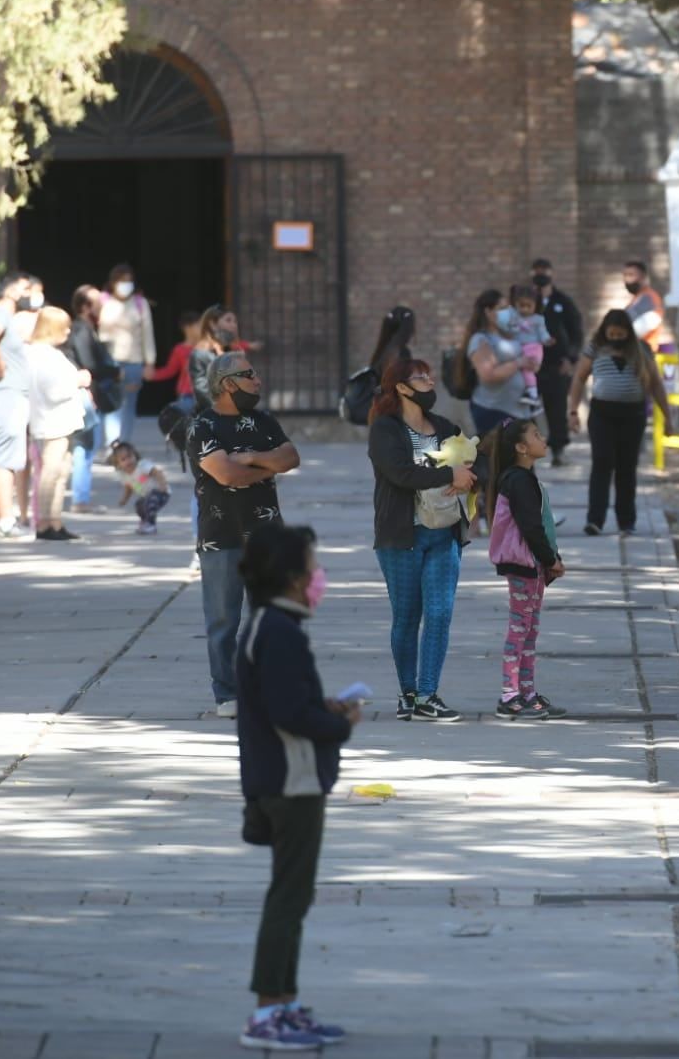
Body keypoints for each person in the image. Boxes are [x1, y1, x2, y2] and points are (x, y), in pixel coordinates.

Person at [234, 521, 354, 1051]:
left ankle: (283, 1002)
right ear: (288, 576)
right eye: (310, 567)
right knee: (289, 897)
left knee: (294, 895)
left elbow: (284, 702)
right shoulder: (278, 631)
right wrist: (338, 724)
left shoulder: (273, 625)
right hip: (291, 780)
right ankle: (267, 1012)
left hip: (285, 776)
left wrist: (322, 710)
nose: (316, 576)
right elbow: (287, 713)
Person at [189, 351, 301, 719]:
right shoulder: (202, 426)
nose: (258, 380)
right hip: (221, 537)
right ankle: (227, 694)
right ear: (227, 384)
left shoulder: (263, 421)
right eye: (249, 374)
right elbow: (225, 475)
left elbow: (290, 458)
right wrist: (262, 468)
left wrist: (250, 457)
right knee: (223, 621)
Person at [367, 358, 477, 722]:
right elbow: (400, 473)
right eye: (421, 377)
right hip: (401, 535)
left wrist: (471, 475)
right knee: (407, 616)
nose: (430, 381)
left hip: (444, 533)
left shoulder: (444, 427)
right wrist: (449, 473)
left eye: (429, 376)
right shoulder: (385, 429)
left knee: (440, 613)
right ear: (401, 387)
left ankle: (429, 693)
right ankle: (408, 693)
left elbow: (475, 462)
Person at [485, 417, 567, 720]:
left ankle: (528, 693)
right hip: (523, 564)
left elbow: (541, 525)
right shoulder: (517, 480)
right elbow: (531, 528)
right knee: (519, 629)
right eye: (536, 434)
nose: (543, 438)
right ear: (521, 447)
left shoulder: (524, 478)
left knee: (530, 629)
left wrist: (549, 558)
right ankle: (510, 695)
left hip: (531, 564)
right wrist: (551, 559)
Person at [568, 310, 673, 536]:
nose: (616, 337)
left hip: (632, 416)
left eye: (620, 333)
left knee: (627, 468)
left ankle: (626, 521)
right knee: (602, 464)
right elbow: (579, 378)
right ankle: (595, 519)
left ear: (628, 332)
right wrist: (573, 411)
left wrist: (667, 416)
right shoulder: (595, 348)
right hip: (602, 415)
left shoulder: (641, 350)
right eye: (612, 333)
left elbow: (655, 384)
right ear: (605, 331)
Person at [0, 272, 39, 539]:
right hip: (8, 394)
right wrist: (0, 364)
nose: (30, 294)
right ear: (13, 291)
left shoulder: (5, 315)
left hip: (8, 394)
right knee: (7, 461)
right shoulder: (1, 311)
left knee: (1, 460)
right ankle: (5, 521)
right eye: (26, 289)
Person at [23, 307, 91, 542]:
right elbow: (53, 391)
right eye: (64, 327)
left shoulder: (46, 353)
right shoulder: (41, 355)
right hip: (52, 421)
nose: (68, 331)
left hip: (61, 420)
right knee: (50, 473)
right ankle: (44, 524)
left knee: (61, 472)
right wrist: (78, 380)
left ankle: (55, 521)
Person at [63, 285, 117, 512]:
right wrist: (113, 371)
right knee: (84, 446)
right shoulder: (81, 330)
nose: (101, 305)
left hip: (88, 392)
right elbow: (90, 365)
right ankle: (80, 498)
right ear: (85, 306)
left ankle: (81, 496)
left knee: (86, 446)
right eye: (96, 302)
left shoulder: (88, 328)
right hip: (85, 394)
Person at [530, 258, 583, 467]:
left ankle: (558, 451)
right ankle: (529, 449)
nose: (541, 274)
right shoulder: (527, 301)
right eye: (537, 270)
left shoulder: (563, 301)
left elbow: (576, 332)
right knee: (528, 410)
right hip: (531, 366)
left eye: (544, 270)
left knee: (557, 409)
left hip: (556, 365)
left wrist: (571, 358)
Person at [98, 264, 156, 447]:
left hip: (134, 361)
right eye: (122, 281)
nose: (126, 285)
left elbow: (148, 333)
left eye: (129, 281)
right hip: (110, 361)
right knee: (110, 404)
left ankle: (124, 445)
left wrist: (150, 362)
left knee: (128, 405)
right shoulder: (103, 301)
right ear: (113, 283)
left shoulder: (140, 303)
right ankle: (112, 445)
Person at [462, 288, 535, 435]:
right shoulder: (481, 340)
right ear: (488, 312)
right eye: (501, 309)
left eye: (508, 308)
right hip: (494, 411)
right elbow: (488, 375)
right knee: (497, 456)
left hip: (519, 411)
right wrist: (519, 363)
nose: (507, 313)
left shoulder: (509, 335)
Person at [500, 286, 553, 410]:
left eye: (528, 306)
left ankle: (533, 395)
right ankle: (528, 397)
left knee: (527, 370)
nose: (524, 309)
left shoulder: (538, 320)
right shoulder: (514, 316)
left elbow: (543, 333)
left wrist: (547, 340)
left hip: (533, 349)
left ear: (535, 305)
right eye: (521, 305)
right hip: (519, 349)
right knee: (518, 370)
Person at [145, 310, 203, 413]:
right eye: (199, 326)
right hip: (187, 395)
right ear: (187, 328)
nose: (203, 329)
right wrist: (152, 375)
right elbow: (170, 370)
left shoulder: (208, 348)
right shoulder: (179, 349)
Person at [111, 440, 171, 535]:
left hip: (160, 492)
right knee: (139, 505)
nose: (128, 461)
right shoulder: (124, 475)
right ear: (118, 464)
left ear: (135, 455)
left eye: (130, 456)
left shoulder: (142, 466)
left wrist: (163, 486)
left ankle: (151, 524)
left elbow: (157, 472)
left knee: (150, 502)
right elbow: (129, 488)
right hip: (147, 495)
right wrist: (124, 500)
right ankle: (145, 521)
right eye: (123, 459)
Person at [622, 260, 668, 353]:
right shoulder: (637, 297)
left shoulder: (649, 298)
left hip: (644, 353)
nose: (627, 279)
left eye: (631, 275)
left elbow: (651, 321)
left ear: (643, 277)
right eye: (625, 275)